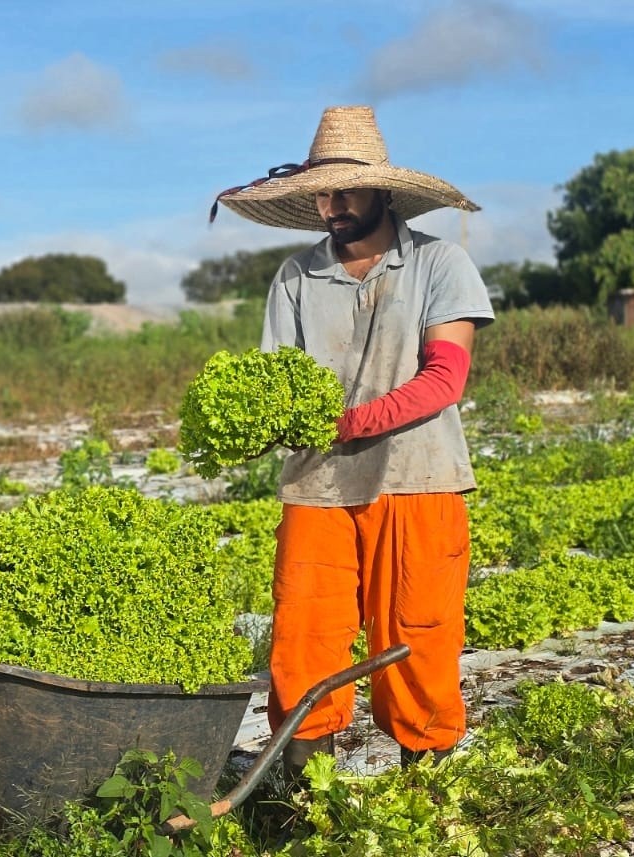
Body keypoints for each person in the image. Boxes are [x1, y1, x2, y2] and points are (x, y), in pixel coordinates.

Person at [210, 105, 495, 775]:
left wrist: (346, 423)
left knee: (418, 638)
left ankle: (431, 796)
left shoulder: (439, 264)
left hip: (418, 478)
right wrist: (256, 422)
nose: (331, 205)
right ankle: (309, 795)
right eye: (322, 192)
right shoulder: (295, 277)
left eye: (344, 190)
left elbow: (444, 379)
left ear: (384, 191)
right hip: (319, 487)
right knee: (304, 643)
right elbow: (278, 384)